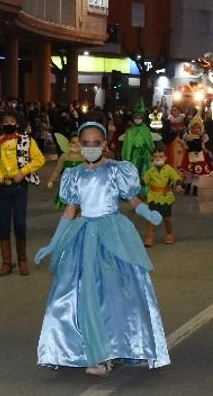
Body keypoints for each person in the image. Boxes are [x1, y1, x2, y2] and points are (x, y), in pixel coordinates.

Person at [34, 120, 169, 377]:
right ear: (79, 146)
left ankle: (129, 345)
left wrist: (147, 213)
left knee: (119, 293)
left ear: (105, 145)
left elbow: (132, 199)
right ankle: (95, 354)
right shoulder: (73, 176)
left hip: (113, 234)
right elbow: (70, 211)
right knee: (83, 295)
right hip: (83, 236)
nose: (91, 148)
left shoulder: (117, 171)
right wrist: (53, 243)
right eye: (86, 144)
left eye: (97, 144)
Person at [0, 108, 45, 276]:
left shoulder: (27, 141)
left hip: (20, 187)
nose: (8, 124)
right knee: (4, 224)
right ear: (1, 124)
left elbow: (39, 159)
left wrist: (24, 171)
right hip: (2, 187)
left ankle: (23, 260)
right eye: (5, 122)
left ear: (17, 124)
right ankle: (6, 262)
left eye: (11, 121)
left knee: (20, 223)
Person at [141, 144, 182, 246]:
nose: (158, 159)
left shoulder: (168, 169)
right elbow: (144, 181)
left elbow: (176, 178)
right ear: (152, 158)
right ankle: (149, 236)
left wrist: (178, 184)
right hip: (153, 197)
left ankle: (169, 233)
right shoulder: (150, 171)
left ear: (165, 158)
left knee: (167, 217)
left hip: (165, 197)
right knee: (152, 217)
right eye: (155, 157)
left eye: (160, 157)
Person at [120, 108, 156, 191]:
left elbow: (149, 142)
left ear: (143, 119)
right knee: (133, 171)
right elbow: (127, 144)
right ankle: (132, 190)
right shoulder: (129, 131)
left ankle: (144, 191)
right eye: (136, 118)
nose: (138, 120)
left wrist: (151, 151)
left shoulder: (146, 130)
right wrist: (127, 155)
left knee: (144, 171)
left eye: (140, 118)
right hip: (134, 153)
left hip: (145, 152)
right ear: (133, 119)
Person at [179, 114, 213, 195]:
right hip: (189, 156)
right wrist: (184, 145)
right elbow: (183, 145)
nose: (196, 129)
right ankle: (188, 187)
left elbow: (203, 147)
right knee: (188, 172)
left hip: (199, 157)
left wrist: (209, 152)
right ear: (191, 128)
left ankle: (195, 189)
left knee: (197, 174)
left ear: (201, 128)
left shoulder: (202, 137)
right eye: (194, 128)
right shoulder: (187, 136)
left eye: (198, 128)